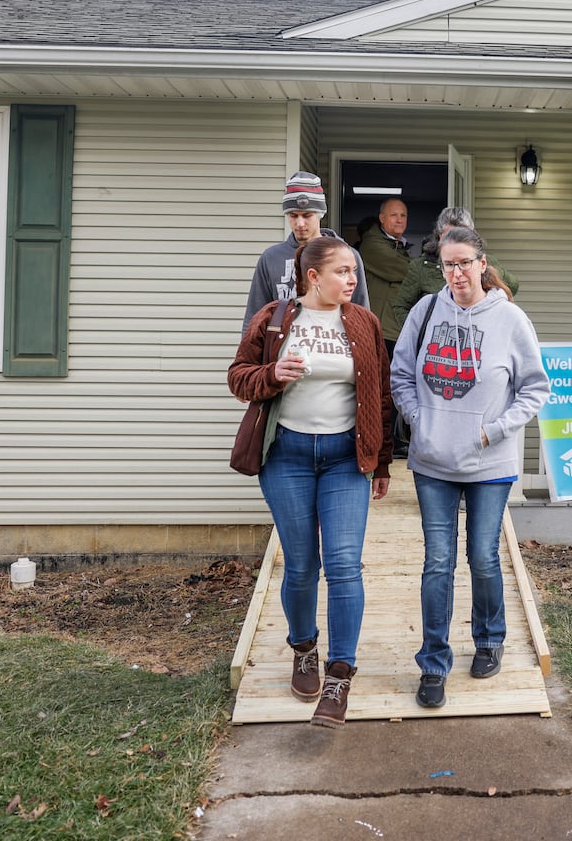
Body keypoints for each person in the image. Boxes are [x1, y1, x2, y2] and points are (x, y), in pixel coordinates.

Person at [228, 236, 394, 728]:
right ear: (313, 276)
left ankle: (340, 674)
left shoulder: (363, 322)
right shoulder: (274, 319)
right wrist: (272, 374)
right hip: (287, 457)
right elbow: (238, 377)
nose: (353, 279)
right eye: (343, 271)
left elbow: (381, 396)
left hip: (345, 459)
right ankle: (304, 649)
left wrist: (382, 462)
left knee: (344, 566)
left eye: (354, 271)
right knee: (301, 565)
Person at [391, 226, 550, 709]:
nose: (456, 273)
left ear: (483, 264)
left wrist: (493, 431)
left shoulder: (511, 319)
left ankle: (489, 639)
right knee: (437, 562)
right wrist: (420, 422)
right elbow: (401, 375)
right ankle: (433, 664)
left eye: (464, 263)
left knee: (483, 557)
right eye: (448, 264)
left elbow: (535, 388)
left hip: (489, 462)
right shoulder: (425, 311)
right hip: (433, 461)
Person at [243, 171, 369, 331]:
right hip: (283, 344)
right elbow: (254, 316)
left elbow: (361, 314)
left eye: (307, 215)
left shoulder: (347, 257)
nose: (300, 223)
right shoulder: (271, 258)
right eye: (293, 215)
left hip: (334, 342)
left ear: (320, 214)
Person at [390, 207, 520, 331]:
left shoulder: (483, 262)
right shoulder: (421, 267)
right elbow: (401, 307)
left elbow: (512, 286)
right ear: (440, 236)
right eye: (450, 235)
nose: (456, 241)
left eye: (463, 235)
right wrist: (422, 331)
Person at [357, 197, 413, 355]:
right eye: (394, 215)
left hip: (396, 328)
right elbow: (405, 270)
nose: (399, 220)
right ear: (382, 218)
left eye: (403, 215)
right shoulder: (371, 244)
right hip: (379, 329)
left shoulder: (400, 246)